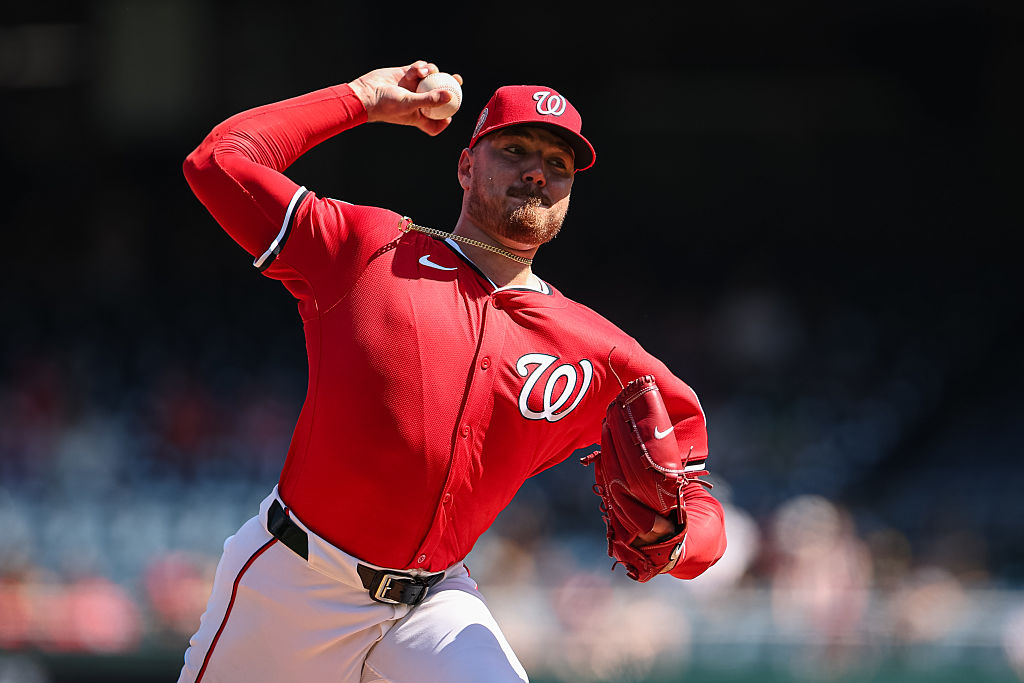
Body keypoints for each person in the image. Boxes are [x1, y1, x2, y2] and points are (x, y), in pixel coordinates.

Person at [178, 60, 727, 683]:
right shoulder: (371, 250)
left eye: (558, 165)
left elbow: (702, 508)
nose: (536, 171)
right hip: (295, 583)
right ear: (465, 166)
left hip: (432, 606)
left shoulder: (600, 353)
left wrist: (673, 537)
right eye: (514, 149)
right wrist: (360, 99)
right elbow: (217, 163)